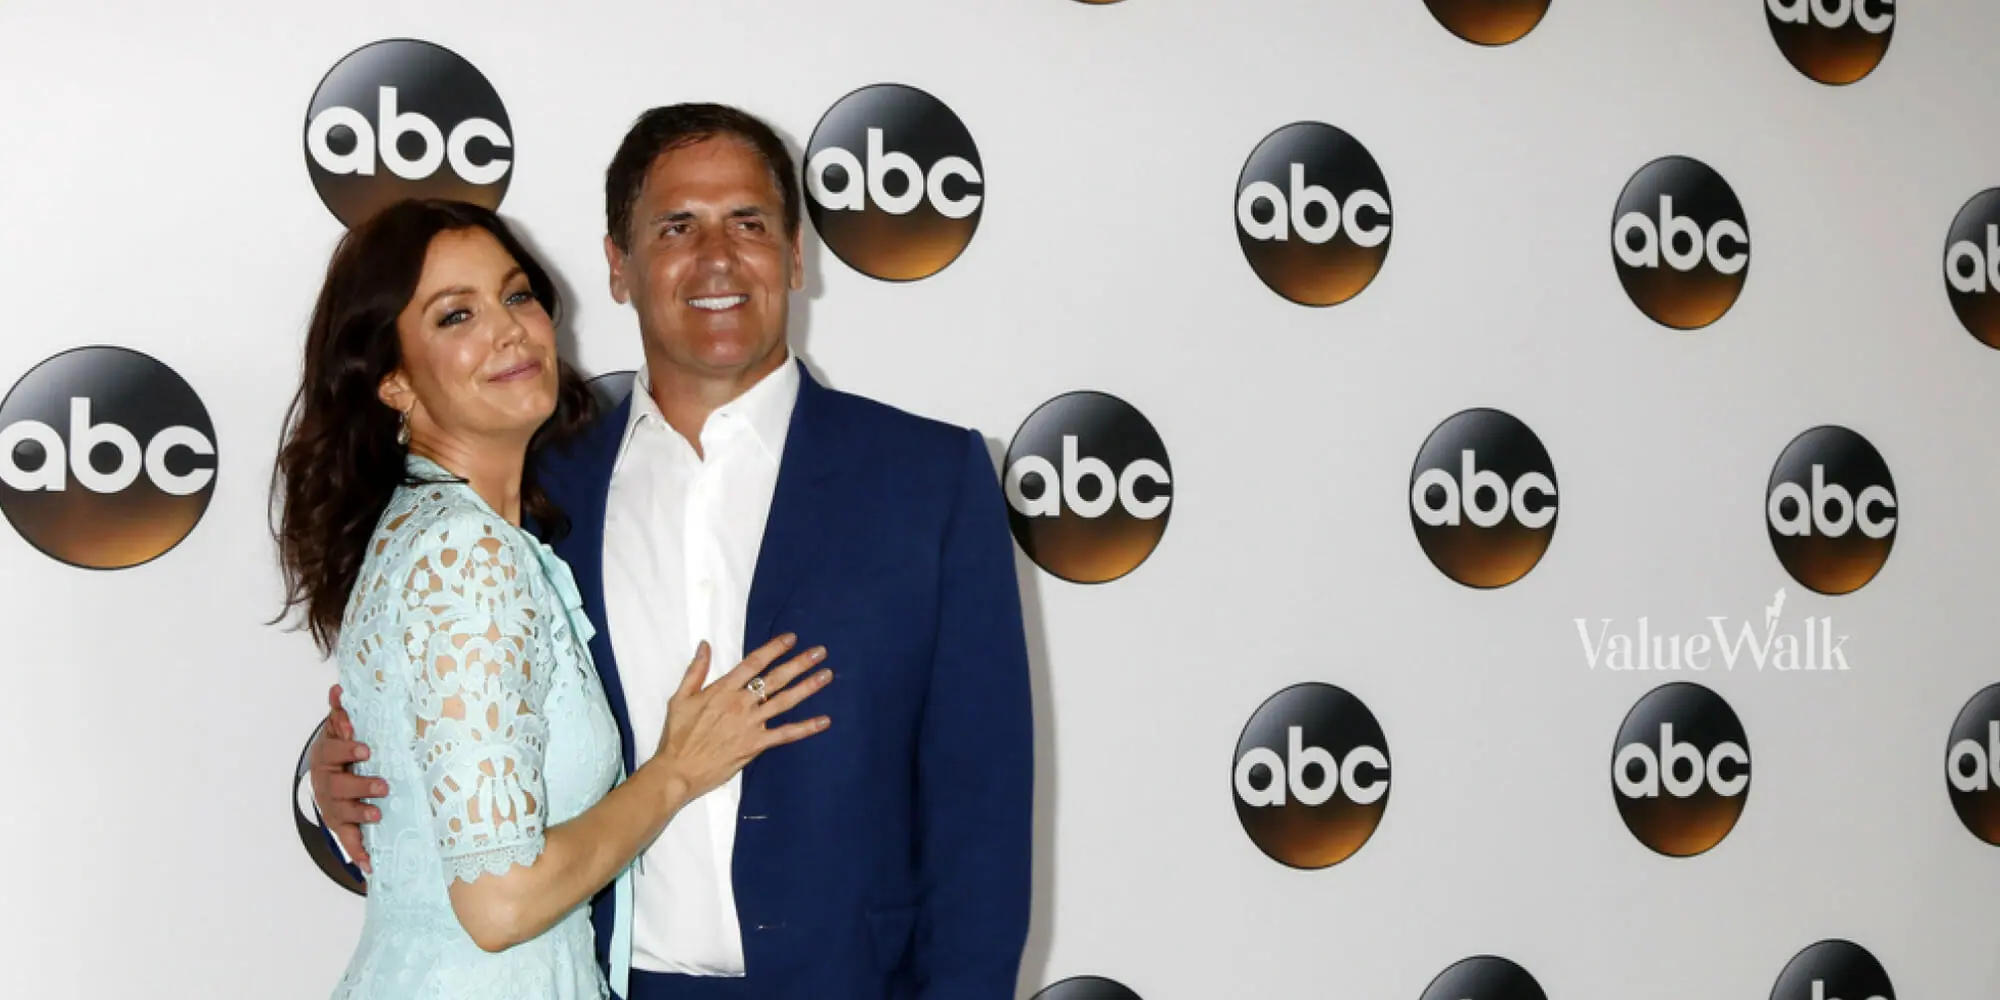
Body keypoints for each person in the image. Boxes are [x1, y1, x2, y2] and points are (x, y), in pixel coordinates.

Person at [308, 104, 1036, 1000]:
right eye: (677, 227)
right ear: (619, 266)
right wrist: (354, 771)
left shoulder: (929, 481)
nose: (718, 257)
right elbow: (468, 713)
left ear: (796, 255)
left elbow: (981, 807)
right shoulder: (534, 489)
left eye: (749, 223)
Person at [273, 197, 834, 999]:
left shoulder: (445, 526)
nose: (508, 329)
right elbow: (500, 904)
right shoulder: (464, 553)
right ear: (392, 380)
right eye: (456, 315)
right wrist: (677, 772)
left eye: (516, 295)